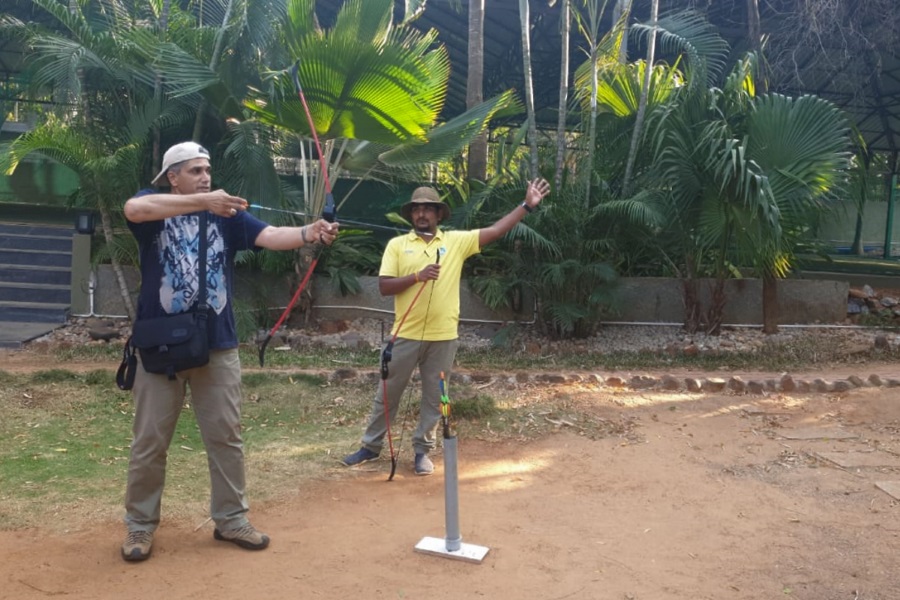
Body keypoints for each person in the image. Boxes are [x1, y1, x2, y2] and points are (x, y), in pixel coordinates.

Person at [120, 141, 339, 562]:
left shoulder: (226, 216)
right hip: (160, 346)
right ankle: (139, 527)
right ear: (173, 177)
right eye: (195, 170)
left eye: (207, 169)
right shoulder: (154, 205)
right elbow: (134, 210)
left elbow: (270, 235)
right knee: (149, 442)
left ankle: (231, 519)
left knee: (226, 437)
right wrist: (206, 201)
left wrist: (310, 232)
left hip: (216, 343)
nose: (205, 176)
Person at [342, 179, 550, 475]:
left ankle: (422, 452)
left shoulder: (456, 242)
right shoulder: (397, 246)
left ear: (439, 215)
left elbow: (495, 231)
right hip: (404, 336)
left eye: (429, 209)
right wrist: (418, 276)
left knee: (436, 397)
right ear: (410, 215)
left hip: (443, 338)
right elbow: (385, 286)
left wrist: (527, 205)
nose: (422, 214)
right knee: (388, 392)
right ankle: (370, 447)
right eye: (417, 210)